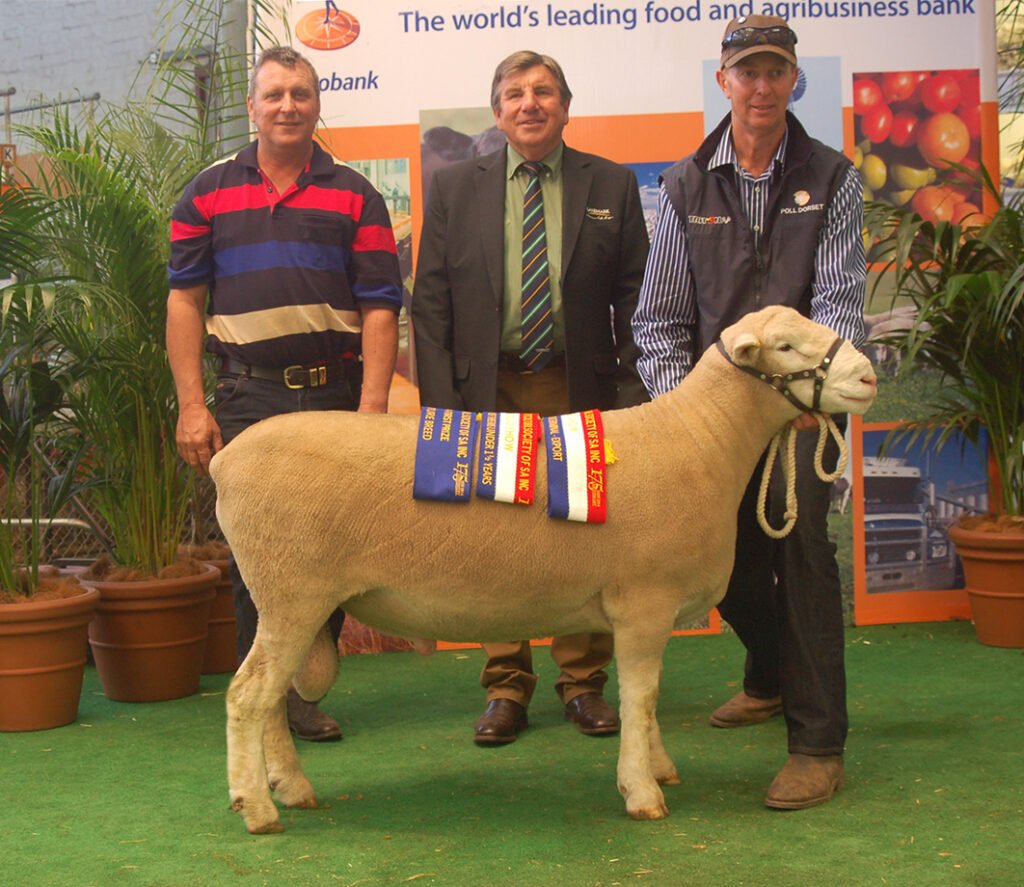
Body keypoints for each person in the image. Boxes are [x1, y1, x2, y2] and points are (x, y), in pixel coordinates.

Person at [632, 16, 866, 809]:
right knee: (716, 557)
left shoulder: (832, 177)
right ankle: (769, 674)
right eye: (747, 72)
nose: (761, 87)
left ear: (794, 79)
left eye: (775, 72)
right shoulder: (684, 184)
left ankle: (817, 744)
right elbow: (658, 322)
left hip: (800, 412)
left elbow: (839, 305)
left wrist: (808, 394)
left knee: (799, 545)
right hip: (709, 420)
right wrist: (685, 414)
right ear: (724, 81)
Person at [412, 50, 650, 746]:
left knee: (582, 530)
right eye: (514, 93)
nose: (530, 104)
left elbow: (638, 297)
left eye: (544, 91)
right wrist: (443, 408)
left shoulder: (611, 183)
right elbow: (430, 303)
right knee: (495, 536)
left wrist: (629, 397)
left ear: (566, 107)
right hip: (487, 389)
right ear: (497, 112)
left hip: (577, 386)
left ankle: (582, 681)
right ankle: (506, 684)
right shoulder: (455, 186)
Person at [166, 46, 402, 743]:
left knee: (335, 549)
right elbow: (184, 303)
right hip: (248, 397)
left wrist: (372, 411)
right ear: (252, 107)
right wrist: (191, 405)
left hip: (335, 398)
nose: (288, 106)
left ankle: (300, 689)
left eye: (301, 93)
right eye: (274, 95)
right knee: (256, 557)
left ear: (317, 104)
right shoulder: (205, 192)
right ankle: (264, 703)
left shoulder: (357, 195)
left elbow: (381, 307)